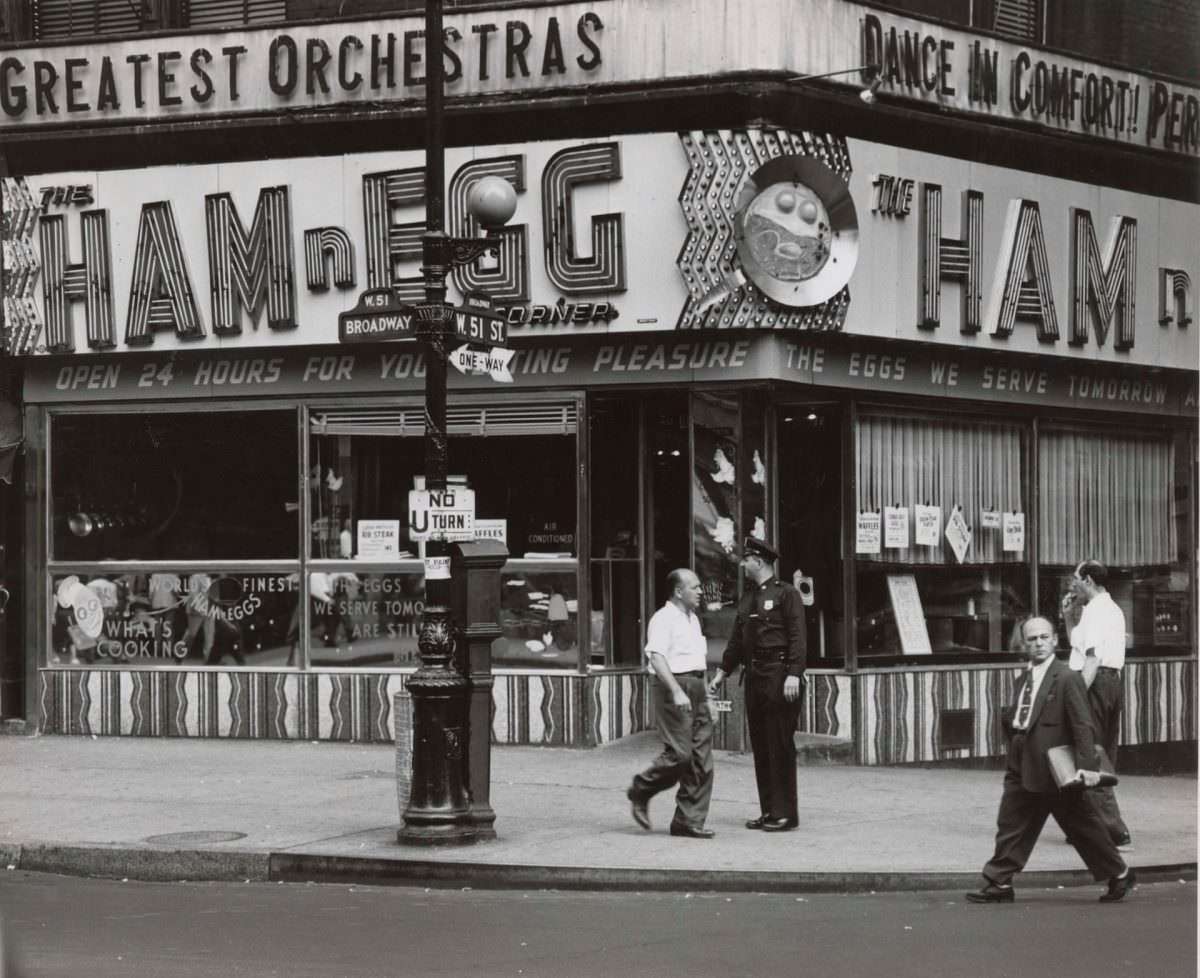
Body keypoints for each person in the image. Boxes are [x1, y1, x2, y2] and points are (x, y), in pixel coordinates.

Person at [966, 616, 1135, 904]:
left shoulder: (1067, 677)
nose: (1039, 643)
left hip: (1056, 767)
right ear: (1024, 644)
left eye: (1044, 637)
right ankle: (1000, 882)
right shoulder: (1024, 678)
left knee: (1081, 824)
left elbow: (1083, 725)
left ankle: (1118, 873)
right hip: (1022, 759)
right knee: (1012, 821)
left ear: (1055, 641)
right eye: (1032, 639)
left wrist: (1087, 769)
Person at [707, 537, 805, 832]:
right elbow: (738, 640)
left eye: (746, 559)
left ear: (759, 562)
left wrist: (793, 674)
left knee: (780, 745)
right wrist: (723, 671)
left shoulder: (787, 594)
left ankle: (786, 813)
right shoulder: (748, 600)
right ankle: (769, 811)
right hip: (754, 675)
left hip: (779, 673)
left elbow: (798, 636)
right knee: (762, 746)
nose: (742, 564)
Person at [626, 568, 716, 838]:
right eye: (695, 587)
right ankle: (641, 789)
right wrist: (676, 691)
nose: (701, 592)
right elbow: (656, 657)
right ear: (679, 591)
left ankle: (687, 821)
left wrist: (708, 697)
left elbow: (700, 661)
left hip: (696, 687)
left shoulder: (693, 620)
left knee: (702, 759)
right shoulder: (663, 618)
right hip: (673, 686)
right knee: (680, 754)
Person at [1062, 559, 1132, 850]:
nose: (1072, 584)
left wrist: (1075, 695)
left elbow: (1090, 659)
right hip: (1111, 682)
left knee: (1091, 753)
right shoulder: (1108, 609)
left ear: (1088, 580)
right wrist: (1068, 616)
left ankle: (1116, 831)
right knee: (1100, 751)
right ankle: (1085, 822)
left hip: (1096, 681)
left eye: (1076, 579)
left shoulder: (1096, 611)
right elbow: (1078, 647)